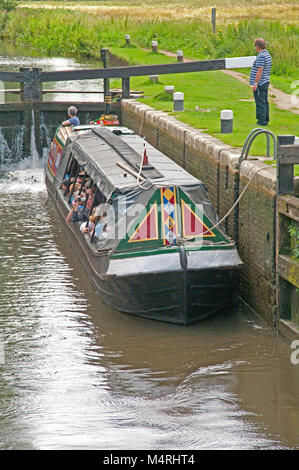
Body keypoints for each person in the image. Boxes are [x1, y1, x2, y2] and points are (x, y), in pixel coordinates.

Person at [249, 38, 272, 126]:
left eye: (255, 46)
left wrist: (255, 83)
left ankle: (261, 121)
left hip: (260, 82)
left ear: (258, 46)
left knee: (260, 102)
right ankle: (265, 119)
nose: (255, 48)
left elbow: (259, 71)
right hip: (265, 81)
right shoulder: (267, 55)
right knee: (265, 101)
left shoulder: (261, 56)